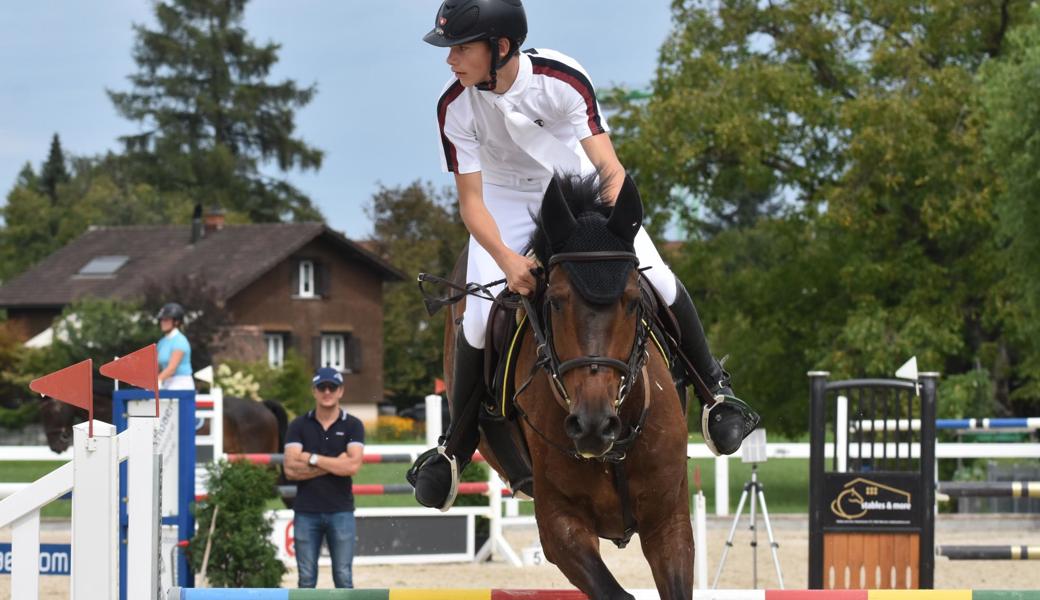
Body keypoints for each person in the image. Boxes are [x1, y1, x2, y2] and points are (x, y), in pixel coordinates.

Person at [409, 0, 762, 511]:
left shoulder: (561, 78)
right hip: (503, 202)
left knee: (657, 277)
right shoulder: (455, 106)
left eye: (461, 48)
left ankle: (717, 395)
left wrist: (618, 235)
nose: (451, 60)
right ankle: (453, 448)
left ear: (500, 47)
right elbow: (471, 203)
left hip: (575, 188)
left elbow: (609, 168)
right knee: (480, 320)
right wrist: (508, 260)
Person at [283, 367, 365, 589]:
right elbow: (290, 469)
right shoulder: (298, 425)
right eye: (322, 387)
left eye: (332, 387)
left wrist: (311, 458)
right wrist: (335, 463)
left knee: (343, 576)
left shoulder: (353, 425)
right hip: (305, 511)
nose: (327, 391)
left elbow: (353, 466)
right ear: (314, 391)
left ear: (341, 391)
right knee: (306, 579)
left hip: (341, 510)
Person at [156, 302, 195, 390]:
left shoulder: (180, 341)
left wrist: (157, 380)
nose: (162, 322)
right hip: (166, 382)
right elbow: (156, 367)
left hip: (181, 384)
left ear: (176, 321)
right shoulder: (161, 342)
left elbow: (171, 368)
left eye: (166, 320)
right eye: (161, 319)